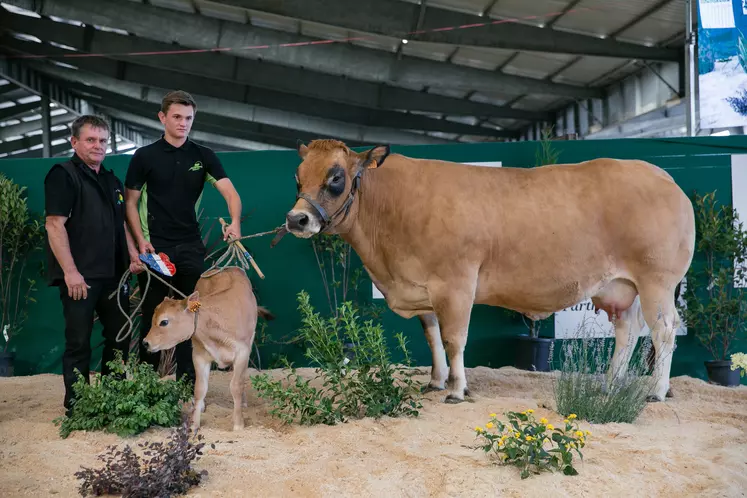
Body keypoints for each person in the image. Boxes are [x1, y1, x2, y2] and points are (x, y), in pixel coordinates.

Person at [124, 90, 243, 385]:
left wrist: (235, 222)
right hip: (156, 248)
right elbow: (129, 203)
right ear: (162, 117)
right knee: (153, 313)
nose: (183, 123)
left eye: (188, 118)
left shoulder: (203, 156)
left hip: (191, 245)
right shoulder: (144, 156)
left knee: (192, 314)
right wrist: (140, 242)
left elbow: (230, 192)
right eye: (177, 117)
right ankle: (146, 383)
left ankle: (189, 385)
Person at [44, 115, 144, 416]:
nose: (98, 145)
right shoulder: (62, 175)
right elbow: (54, 225)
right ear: (74, 142)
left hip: (115, 276)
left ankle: (114, 400)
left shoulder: (111, 180)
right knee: (78, 343)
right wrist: (70, 273)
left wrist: (133, 255)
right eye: (90, 140)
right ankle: (77, 407)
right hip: (80, 279)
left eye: (102, 140)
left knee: (120, 339)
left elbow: (121, 225)